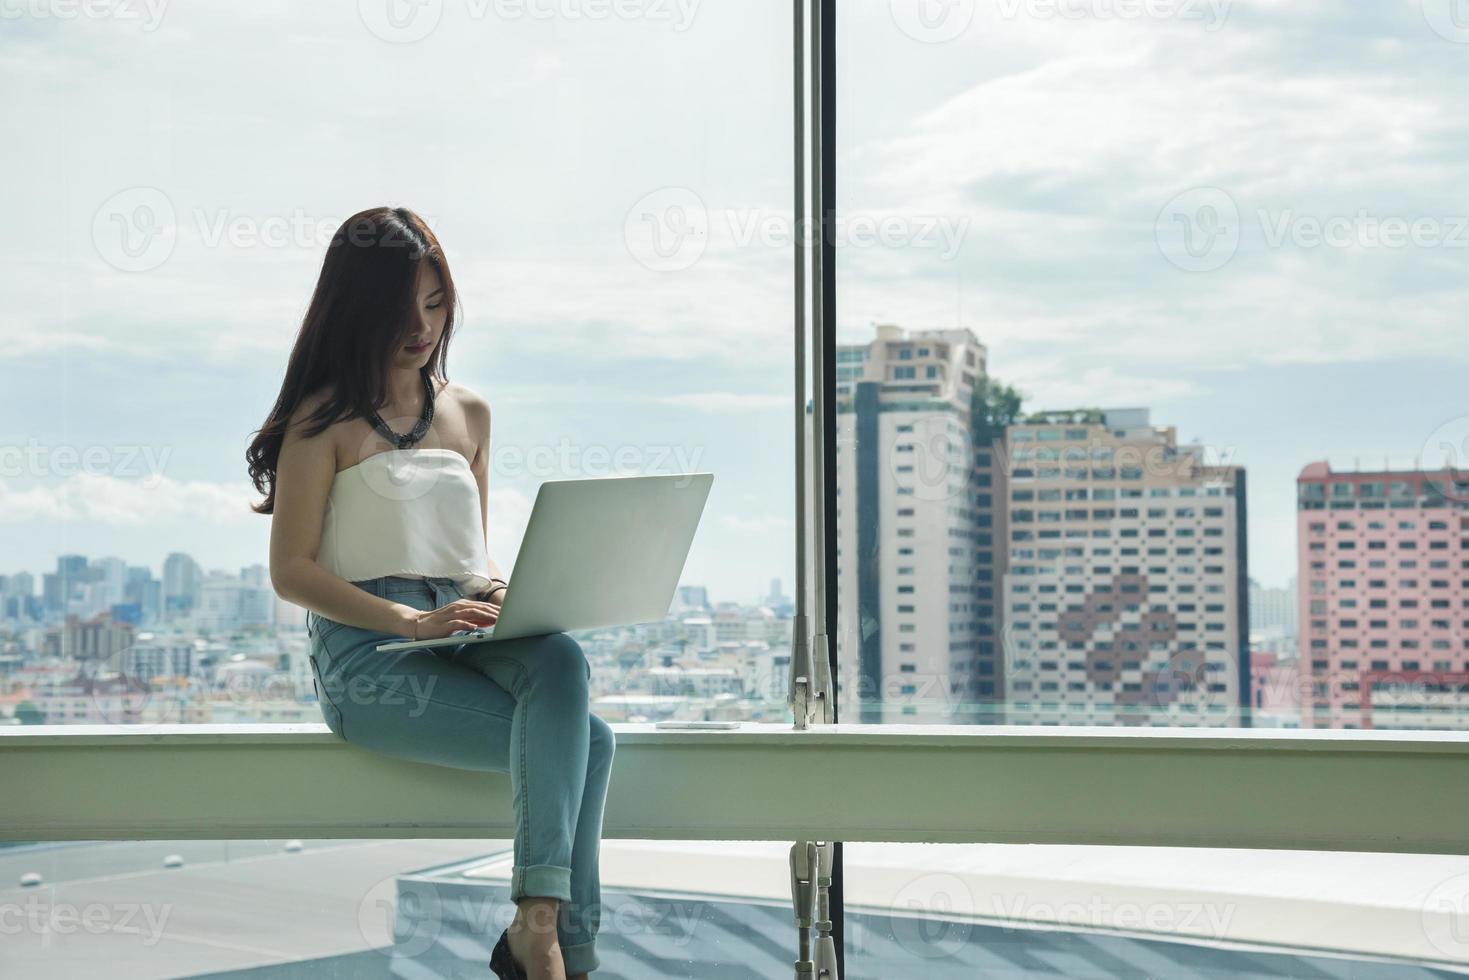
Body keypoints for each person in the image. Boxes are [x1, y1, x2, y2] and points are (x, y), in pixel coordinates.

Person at [247, 205, 613, 980]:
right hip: (371, 659)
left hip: (461, 633)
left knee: (561, 660)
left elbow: (470, 558)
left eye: (435, 300)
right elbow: (292, 572)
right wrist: (412, 623)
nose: (421, 324)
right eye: (399, 306)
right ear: (356, 311)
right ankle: (564, 953)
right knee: (595, 745)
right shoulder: (321, 423)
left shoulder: (469, 412)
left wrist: (506, 592)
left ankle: (534, 928)